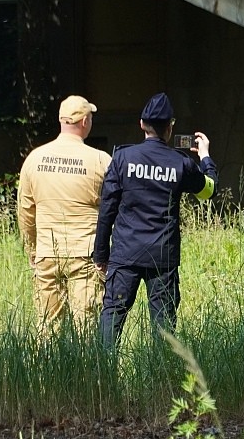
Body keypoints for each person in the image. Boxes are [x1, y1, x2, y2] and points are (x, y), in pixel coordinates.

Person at [93, 92, 218, 348]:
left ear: (141, 124)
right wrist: (205, 157)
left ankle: (102, 380)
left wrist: (101, 255)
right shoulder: (181, 163)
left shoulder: (122, 159)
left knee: (112, 319)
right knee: (164, 329)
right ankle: (161, 385)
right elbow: (209, 191)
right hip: (162, 258)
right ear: (170, 128)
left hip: (125, 254)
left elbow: (107, 209)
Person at [18, 95, 113, 334]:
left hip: (47, 253)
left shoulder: (34, 159)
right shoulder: (100, 160)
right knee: (86, 330)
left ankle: (47, 372)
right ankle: (86, 373)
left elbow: (26, 213)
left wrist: (33, 249)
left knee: (47, 329)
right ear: (84, 122)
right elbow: (115, 208)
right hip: (85, 255)